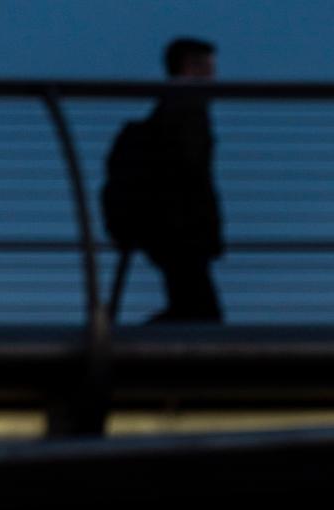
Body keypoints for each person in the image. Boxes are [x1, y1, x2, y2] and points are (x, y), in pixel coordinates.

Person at [102, 37, 223, 322]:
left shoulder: (170, 110)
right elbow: (190, 174)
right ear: (190, 68)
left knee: (192, 311)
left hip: (171, 231)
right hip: (181, 231)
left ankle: (124, 341)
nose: (213, 78)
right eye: (208, 69)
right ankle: (126, 343)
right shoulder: (186, 110)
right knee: (201, 315)